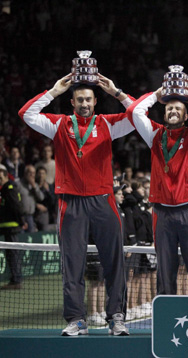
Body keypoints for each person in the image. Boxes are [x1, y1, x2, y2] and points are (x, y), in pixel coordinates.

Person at [18, 72, 135, 336]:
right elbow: (25, 113)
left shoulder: (107, 124)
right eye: (79, 99)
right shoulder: (59, 124)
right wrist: (54, 91)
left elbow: (138, 115)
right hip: (70, 203)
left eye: (89, 99)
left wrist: (116, 92)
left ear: (95, 102)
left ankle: (116, 317)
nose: (84, 103)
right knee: (72, 263)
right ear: (72, 102)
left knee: (114, 262)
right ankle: (76, 320)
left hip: (103, 200)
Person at [126, 78, 188, 296]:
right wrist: (157, 95)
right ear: (164, 114)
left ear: (185, 116)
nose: (173, 111)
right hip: (162, 212)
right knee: (164, 271)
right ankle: (167, 320)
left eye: (178, 108)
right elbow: (134, 112)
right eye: (169, 108)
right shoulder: (155, 135)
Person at [0, 164, 25, 290]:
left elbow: (16, 206)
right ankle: (15, 279)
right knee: (11, 253)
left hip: (12, 226)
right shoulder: (4, 188)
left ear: (5, 175)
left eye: (0, 176)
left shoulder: (9, 188)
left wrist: (21, 221)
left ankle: (16, 280)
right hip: (6, 226)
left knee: (13, 253)